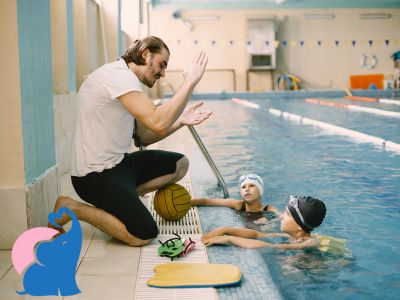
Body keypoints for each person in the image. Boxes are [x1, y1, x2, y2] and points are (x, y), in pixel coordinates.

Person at [50, 36, 211, 247]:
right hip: (94, 177)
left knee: (180, 164)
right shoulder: (118, 77)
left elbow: (145, 136)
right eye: (162, 65)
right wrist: (190, 82)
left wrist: (180, 121)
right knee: (143, 234)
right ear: (146, 54)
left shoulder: (127, 80)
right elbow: (158, 122)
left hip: (119, 164)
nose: (162, 73)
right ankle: (71, 208)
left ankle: (123, 201)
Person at [201, 195, 342, 252]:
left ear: (300, 224)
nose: (281, 217)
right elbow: (258, 234)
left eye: (287, 214)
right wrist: (226, 230)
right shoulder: (293, 237)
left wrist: (229, 239)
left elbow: (271, 246)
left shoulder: (310, 243)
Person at [191, 174, 279, 214]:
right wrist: (187, 202)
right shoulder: (238, 204)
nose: (247, 189)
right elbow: (207, 202)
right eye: (243, 187)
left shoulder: (268, 209)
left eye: (252, 186)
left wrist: (268, 223)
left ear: (260, 191)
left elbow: (281, 216)